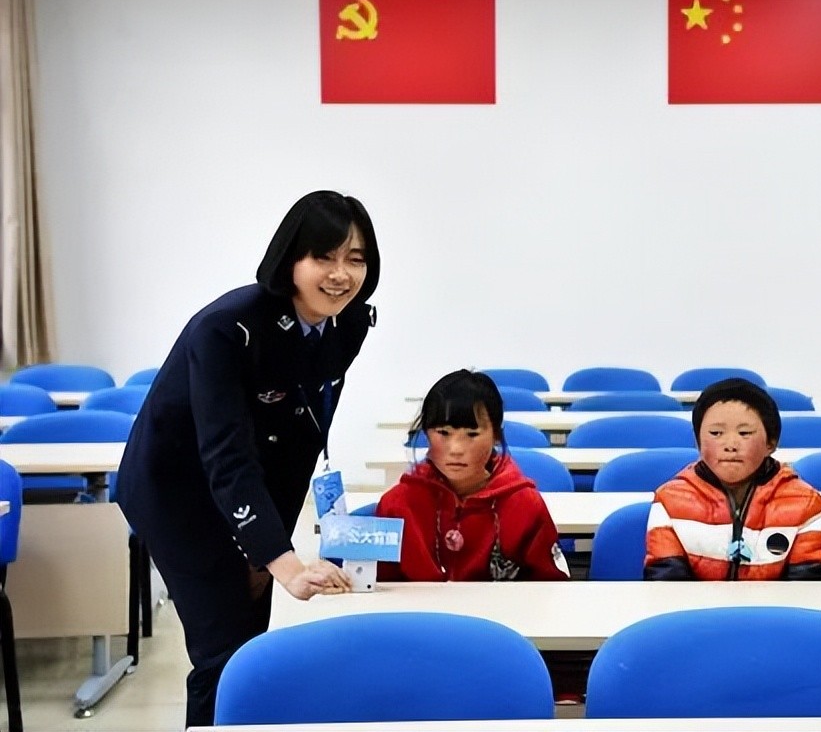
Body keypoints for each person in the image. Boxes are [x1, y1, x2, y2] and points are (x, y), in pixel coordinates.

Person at [115, 190, 380, 728]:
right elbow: (226, 453)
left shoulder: (349, 322)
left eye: (355, 259)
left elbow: (299, 438)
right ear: (290, 259)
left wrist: (265, 552)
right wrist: (282, 561)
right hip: (177, 492)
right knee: (224, 651)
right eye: (324, 257)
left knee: (253, 645)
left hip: (249, 486)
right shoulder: (227, 328)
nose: (340, 274)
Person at [374, 368, 569, 582]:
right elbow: (378, 587)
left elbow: (550, 588)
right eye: (443, 433)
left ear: (496, 435)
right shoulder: (397, 505)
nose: (456, 449)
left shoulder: (525, 505)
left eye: (472, 434)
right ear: (426, 433)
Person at [645, 378, 821, 580]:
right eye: (716, 433)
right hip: (696, 602)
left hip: (776, 602)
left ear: (771, 442)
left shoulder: (806, 504)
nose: (730, 445)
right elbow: (667, 584)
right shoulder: (670, 500)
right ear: (698, 441)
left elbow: (810, 588)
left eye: (745, 433)